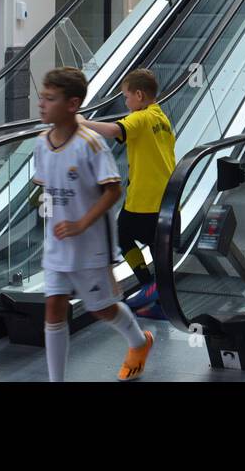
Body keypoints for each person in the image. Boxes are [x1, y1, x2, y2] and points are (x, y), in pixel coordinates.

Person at [32, 67, 153, 382]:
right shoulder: (42, 143)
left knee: (101, 309)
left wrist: (82, 225)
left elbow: (113, 190)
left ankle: (139, 342)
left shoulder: (91, 144)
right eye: (41, 97)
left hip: (90, 246)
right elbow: (45, 187)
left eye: (50, 98)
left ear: (72, 104)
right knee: (54, 307)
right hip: (58, 245)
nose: (41, 104)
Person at [79, 68, 176, 319]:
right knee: (157, 248)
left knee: (122, 235)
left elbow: (114, 130)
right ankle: (163, 303)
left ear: (140, 95)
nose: (125, 102)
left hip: (144, 198)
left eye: (126, 96)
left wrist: (82, 123)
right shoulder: (161, 118)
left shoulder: (141, 117)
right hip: (167, 195)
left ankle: (147, 285)